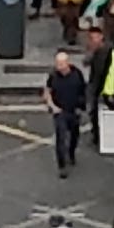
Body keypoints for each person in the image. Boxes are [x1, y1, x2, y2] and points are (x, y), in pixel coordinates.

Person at [43, 48, 86, 176]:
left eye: (61, 64)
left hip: (73, 110)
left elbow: (82, 91)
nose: (59, 67)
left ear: (67, 63)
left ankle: (71, 153)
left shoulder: (77, 74)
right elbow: (47, 91)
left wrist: (81, 107)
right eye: (57, 64)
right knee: (60, 138)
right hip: (60, 111)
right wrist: (52, 106)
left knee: (74, 135)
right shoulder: (53, 75)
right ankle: (62, 166)